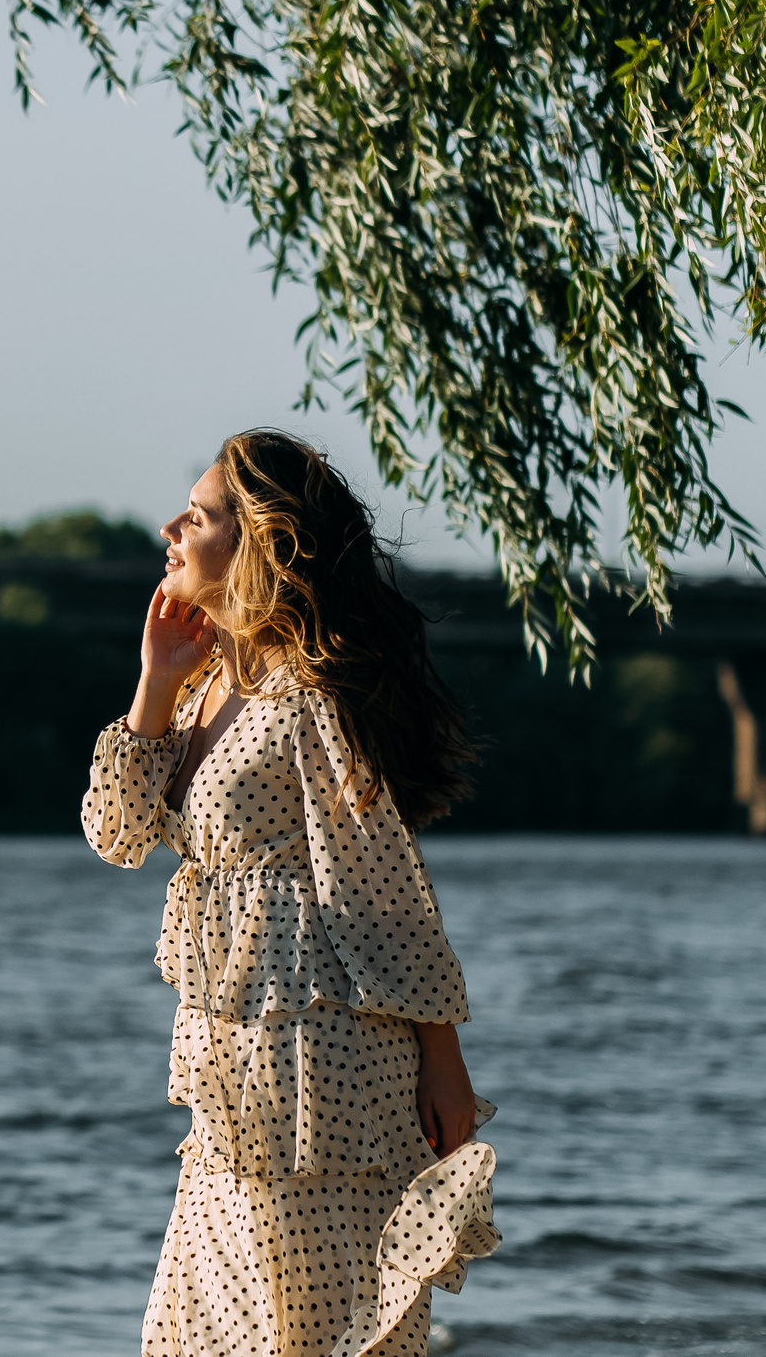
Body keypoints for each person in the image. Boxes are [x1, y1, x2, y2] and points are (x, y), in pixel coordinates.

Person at [82, 430, 499, 1357]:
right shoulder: (200, 686)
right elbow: (115, 833)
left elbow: (382, 887)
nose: (170, 529)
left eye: (197, 517)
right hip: (230, 1073)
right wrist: (156, 680)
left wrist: (444, 1060)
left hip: (323, 1071)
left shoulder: (314, 697)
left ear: (258, 542)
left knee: (306, 1332)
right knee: (196, 1334)